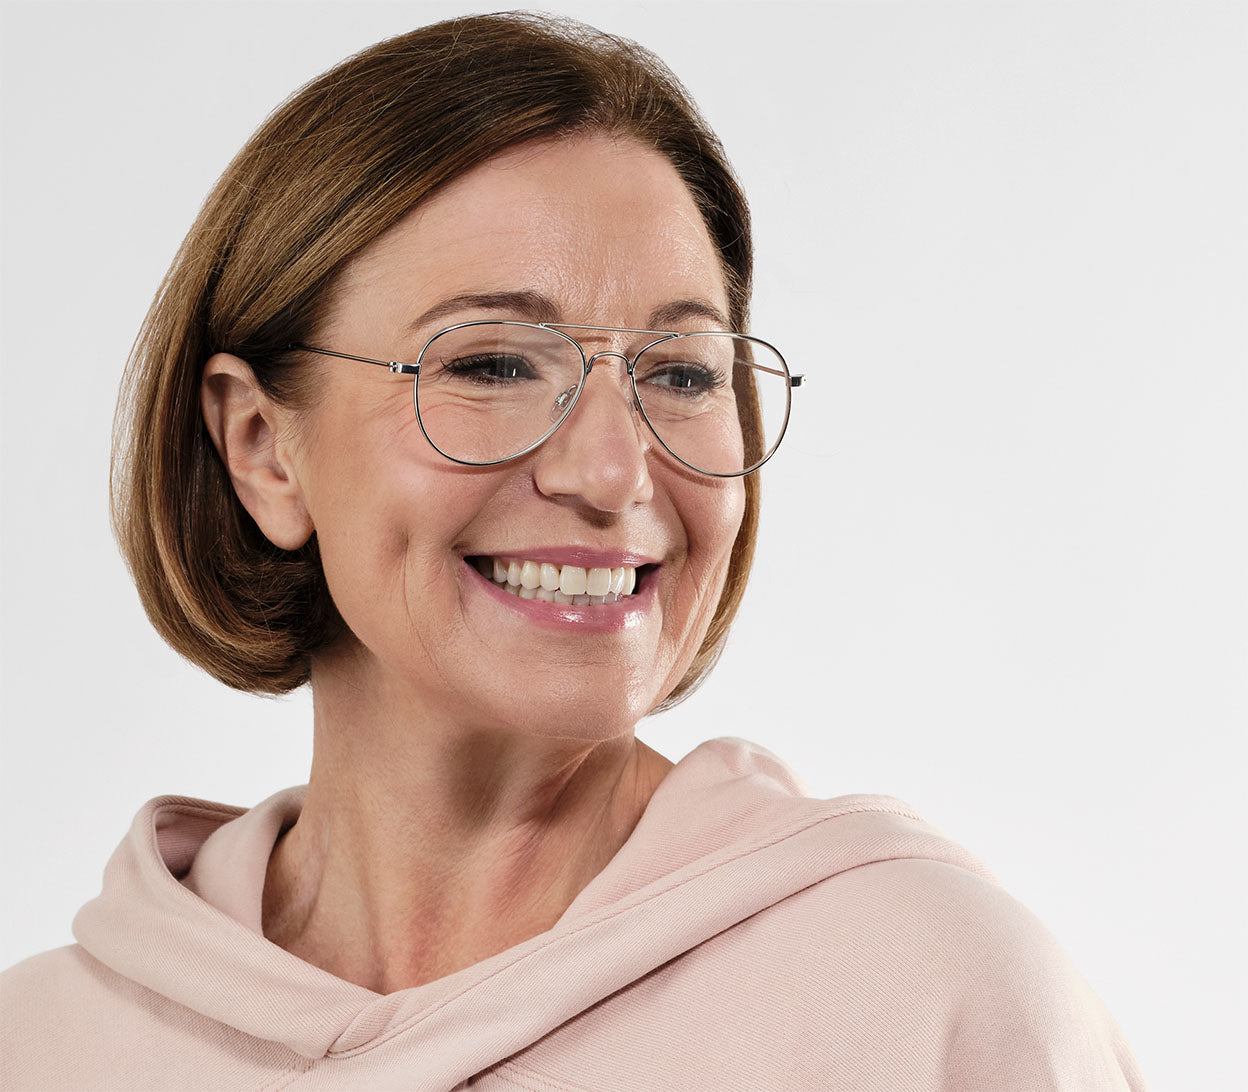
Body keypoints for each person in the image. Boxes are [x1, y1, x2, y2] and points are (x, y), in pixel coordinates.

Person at [0, 12, 1147, 1091]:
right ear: (262, 449)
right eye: (493, 365)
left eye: (683, 374)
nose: (611, 472)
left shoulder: (924, 1001)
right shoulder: (49, 1047)